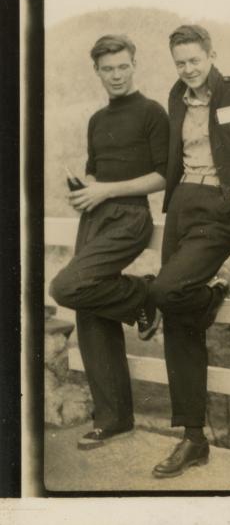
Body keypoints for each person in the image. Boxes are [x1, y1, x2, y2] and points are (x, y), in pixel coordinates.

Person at [149, 25, 230, 478]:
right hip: (182, 203)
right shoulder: (175, 97)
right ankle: (193, 439)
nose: (188, 69)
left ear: (211, 55)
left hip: (222, 207)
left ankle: (212, 295)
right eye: (180, 62)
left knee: (166, 291)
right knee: (176, 316)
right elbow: (173, 158)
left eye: (194, 60)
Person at [49, 35, 169, 450]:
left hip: (130, 216)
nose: (116, 75)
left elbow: (163, 176)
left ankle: (144, 295)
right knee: (89, 309)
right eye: (108, 69)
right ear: (97, 71)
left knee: (64, 287)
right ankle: (114, 419)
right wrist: (85, 190)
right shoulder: (98, 120)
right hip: (95, 216)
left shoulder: (153, 113)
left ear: (134, 65)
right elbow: (96, 174)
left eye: (123, 66)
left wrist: (107, 191)